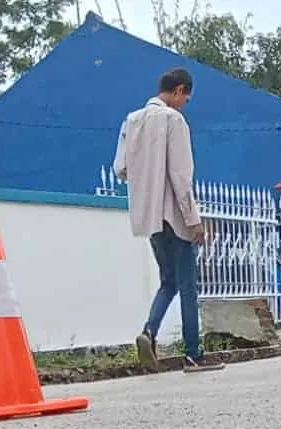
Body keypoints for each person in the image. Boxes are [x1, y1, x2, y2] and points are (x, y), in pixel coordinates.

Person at [113, 67, 222, 373]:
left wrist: (146, 173)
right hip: (174, 215)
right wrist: (194, 219)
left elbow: (121, 169)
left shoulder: (131, 121)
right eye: (186, 97)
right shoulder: (174, 120)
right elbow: (180, 176)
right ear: (179, 90)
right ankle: (193, 354)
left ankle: (149, 332)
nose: (185, 103)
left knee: (168, 282)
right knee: (188, 286)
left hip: (148, 217)